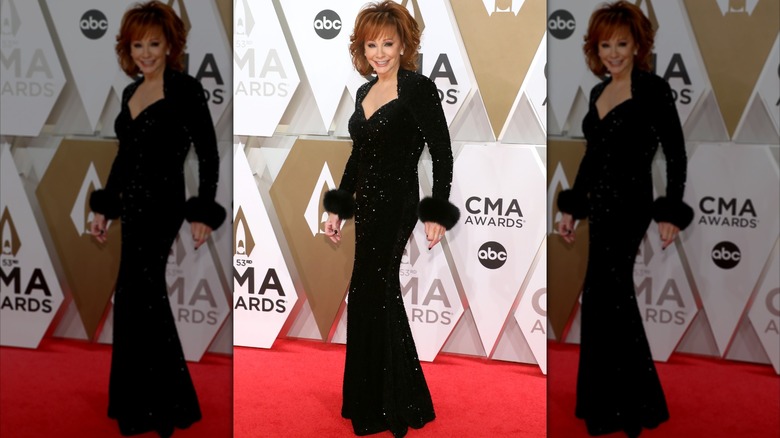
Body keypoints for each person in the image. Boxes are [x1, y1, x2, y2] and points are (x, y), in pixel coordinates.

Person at [322, 2, 459, 436]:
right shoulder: (365, 92)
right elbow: (357, 155)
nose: (379, 52)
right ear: (362, 49)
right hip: (367, 205)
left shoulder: (418, 88)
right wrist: (338, 208)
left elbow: (442, 152)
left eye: (388, 43)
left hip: (397, 204)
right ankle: (384, 396)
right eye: (371, 44)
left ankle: (391, 402)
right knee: (369, 295)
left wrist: (437, 211)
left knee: (373, 291)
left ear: (404, 45)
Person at [555, 2, 693, 437]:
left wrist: (671, 210)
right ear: (596, 48)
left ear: (638, 45)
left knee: (609, 296)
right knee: (600, 300)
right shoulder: (598, 93)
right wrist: (572, 208)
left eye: (622, 43)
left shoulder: (653, 90)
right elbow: (591, 158)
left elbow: (675, 153)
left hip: (631, 207)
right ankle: (609, 401)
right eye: (605, 44)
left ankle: (633, 406)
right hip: (600, 206)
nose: (613, 52)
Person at [88, 2, 225, 436]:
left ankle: (166, 406)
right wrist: (105, 208)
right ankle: (147, 402)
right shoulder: (131, 92)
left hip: (163, 206)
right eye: (137, 44)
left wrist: (203, 210)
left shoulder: (185, 89)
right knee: (134, 300)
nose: (145, 52)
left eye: (154, 43)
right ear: (128, 49)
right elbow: (123, 157)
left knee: (139, 296)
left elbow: (207, 152)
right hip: (131, 204)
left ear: (170, 45)